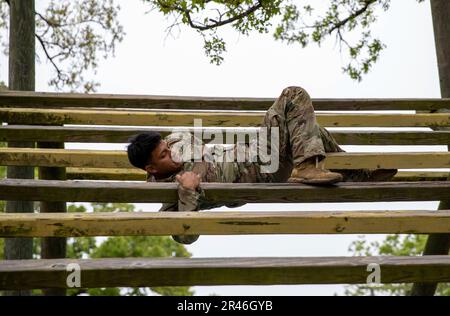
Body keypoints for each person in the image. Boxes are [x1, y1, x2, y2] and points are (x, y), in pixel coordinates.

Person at [127, 86, 397, 244]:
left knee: (312, 131)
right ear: (150, 169)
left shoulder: (174, 142)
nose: (171, 154)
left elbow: (185, 140)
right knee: (292, 95)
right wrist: (187, 193)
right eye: (164, 156)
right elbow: (184, 238)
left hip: (255, 151)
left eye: (166, 147)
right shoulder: (168, 195)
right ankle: (306, 167)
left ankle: (361, 176)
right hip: (258, 172)